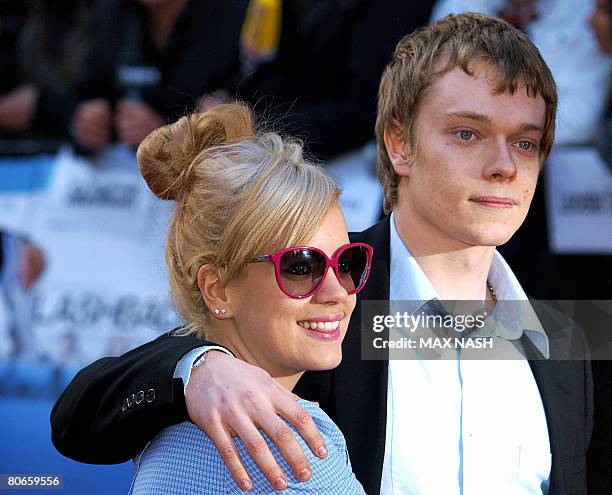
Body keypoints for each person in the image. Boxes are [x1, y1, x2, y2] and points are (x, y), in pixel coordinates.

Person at [51, 13, 592, 495]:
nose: (504, 165)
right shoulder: (320, 290)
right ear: (399, 144)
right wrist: (198, 369)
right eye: (468, 133)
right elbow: (81, 413)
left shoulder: (564, 335)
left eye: (525, 142)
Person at [76, 102, 372, 493]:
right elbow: (78, 412)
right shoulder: (292, 454)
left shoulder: (170, 433)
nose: (339, 292)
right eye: (301, 267)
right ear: (218, 288)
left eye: (347, 261)